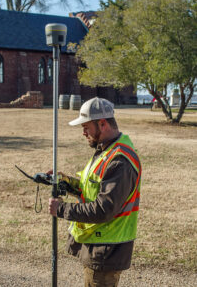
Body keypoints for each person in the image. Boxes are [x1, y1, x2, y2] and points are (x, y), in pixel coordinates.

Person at [48, 97, 142, 287]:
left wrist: (61, 209)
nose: (83, 133)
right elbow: (91, 188)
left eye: (86, 127)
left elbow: (103, 209)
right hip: (99, 245)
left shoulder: (119, 161)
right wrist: (66, 182)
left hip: (107, 249)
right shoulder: (106, 150)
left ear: (103, 123)